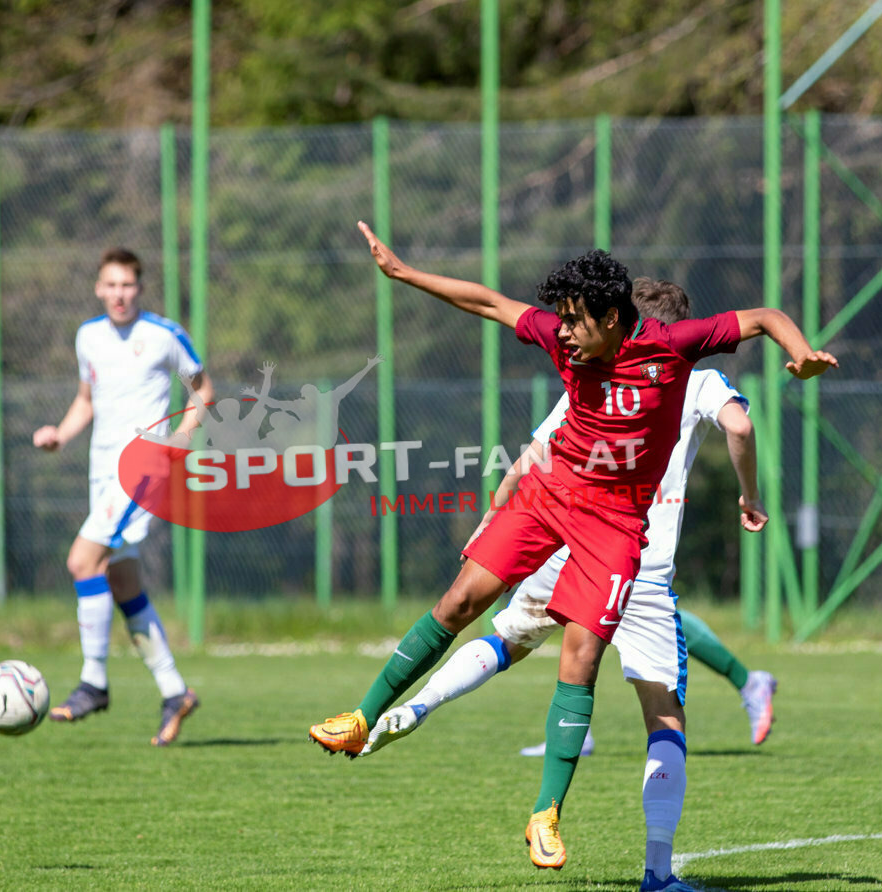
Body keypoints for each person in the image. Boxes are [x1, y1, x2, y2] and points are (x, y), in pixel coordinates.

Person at [309, 223, 837, 886]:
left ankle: (545, 814)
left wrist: (803, 351)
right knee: (459, 600)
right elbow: (490, 304)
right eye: (558, 321)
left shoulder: (671, 348)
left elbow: (762, 316)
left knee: (579, 658)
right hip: (549, 492)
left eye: (574, 322)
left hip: (615, 523)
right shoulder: (565, 341)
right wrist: (407, 274)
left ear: (613, 319)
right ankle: (362, 717)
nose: (560, 333)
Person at [362, 281, 775, 770]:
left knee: (513, 640)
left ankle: (419, 704)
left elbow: (532, 458)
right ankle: (655, 800)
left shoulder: (596, 371)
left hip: (571, 537)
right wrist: (749, 495)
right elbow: (740, 425)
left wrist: (493, 515)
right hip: (635, 553)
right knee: (654, 705)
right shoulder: (697, 379)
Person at [33, 247, 213, 746]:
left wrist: (178, 442)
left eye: (128, 285)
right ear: (98, 287)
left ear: (140, 288)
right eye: (110, 285)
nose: (119, 294)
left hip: (142, 469)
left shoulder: (164, 335)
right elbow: (86, 401)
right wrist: (60, 436)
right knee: (122, 579)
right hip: (101, 470)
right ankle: (175, 691)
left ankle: (94, 681)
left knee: (80, 561)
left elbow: (204, 392)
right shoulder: (88, 336)